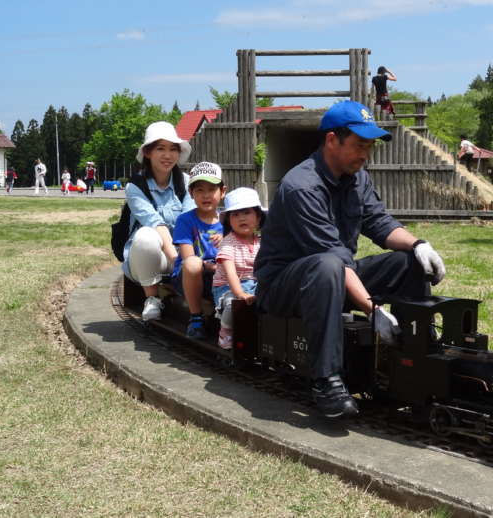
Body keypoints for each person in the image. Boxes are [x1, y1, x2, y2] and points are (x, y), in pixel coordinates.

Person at [254, 100, 446, 418]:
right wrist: (372, 310)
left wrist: (419, 245)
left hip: (336, 276)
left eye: (369, 147)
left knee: (407, 261)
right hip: (284, 287)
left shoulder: (358, 178)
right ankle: (326, 380)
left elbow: (380, 223)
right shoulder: (302, 186)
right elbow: (332, 254)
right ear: (332, 139)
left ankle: (414, 352)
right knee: (328, 265)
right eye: (359, 145)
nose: (364, 154)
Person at [122, 121, 195, 322]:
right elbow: (156, 223)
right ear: (147, 152)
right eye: (160, 148)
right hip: (148, 259)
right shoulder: (135, 187)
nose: (168, 155)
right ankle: (152, 299)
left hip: (181, 253)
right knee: (146, 236)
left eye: (173, 149)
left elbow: (188, 223)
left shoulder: (187, 183)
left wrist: (186, 260)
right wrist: (179, 263)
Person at [171, 162, 225, 339]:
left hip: (220, 275)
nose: (206, 195)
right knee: (193, 263)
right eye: (200, 190)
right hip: (189, 276)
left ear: (222, 192)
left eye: (212, 189)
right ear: (191, 193)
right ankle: (195, 317)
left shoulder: (229, 220)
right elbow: (188, 257)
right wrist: (211, 268)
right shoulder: (185, 220)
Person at [211, 187, 265, 349]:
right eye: (235, 214)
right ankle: (225, 331)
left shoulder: (261, 242)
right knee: (232, 303)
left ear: (258, 217)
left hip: (253, 284)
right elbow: (230, 274)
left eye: (246, 212)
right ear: (228, 220)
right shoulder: (228, 243)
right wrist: (240, 293)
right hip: (228, 286)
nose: (241, 218)